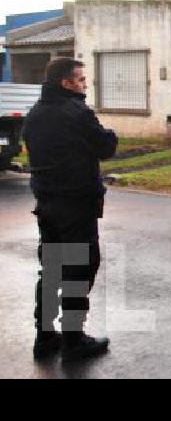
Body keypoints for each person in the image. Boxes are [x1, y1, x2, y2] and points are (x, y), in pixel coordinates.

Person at [23, 57, 118, 361]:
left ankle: (45, 336)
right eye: (80, 80)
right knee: (80, 267)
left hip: (47, 203)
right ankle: (74, 339)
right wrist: (110, 134)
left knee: (51, 268)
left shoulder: (35, 113)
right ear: (66, 83)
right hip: (75, 204)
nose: (85, 84)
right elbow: (105, 146)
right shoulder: (77, 112)